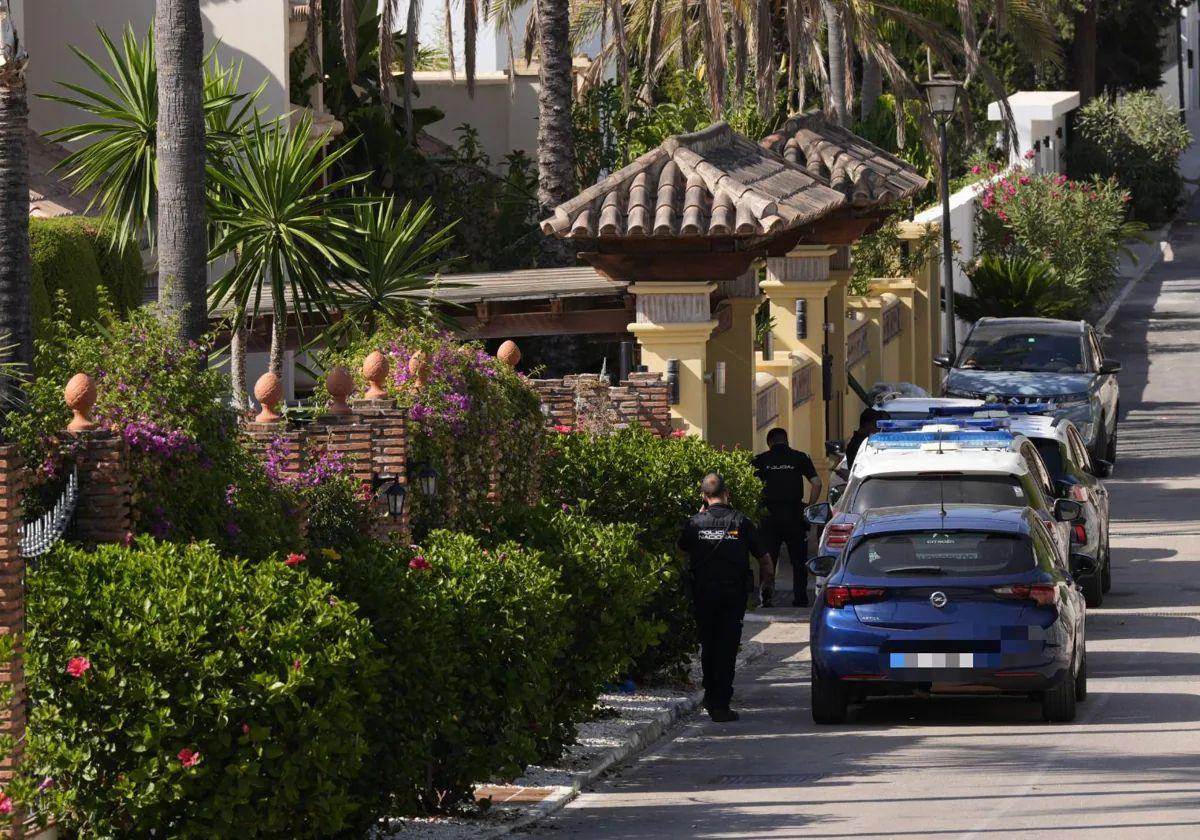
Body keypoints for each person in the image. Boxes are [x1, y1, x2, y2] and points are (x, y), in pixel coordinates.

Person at [678, 473, 772, 723]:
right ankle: (721, 704)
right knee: (727, 647)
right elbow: (764, 559)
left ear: (703, 496)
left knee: (709, 645)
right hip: (733, 595)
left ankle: (711, 695)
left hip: (704, 594)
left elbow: (681, 550)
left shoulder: (694, 523)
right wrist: (764, 587)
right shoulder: (741, 522)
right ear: (727, 493)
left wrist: (699, 517)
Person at [752, 428, 822, 607]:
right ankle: (800, 598)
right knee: (798, 560)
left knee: (768, 558)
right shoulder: (800, 457)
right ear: (787, 441)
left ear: (770, 443)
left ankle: (766, 598)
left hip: (769, 515)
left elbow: (750, 485)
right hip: (794, 514)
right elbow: (816, 483)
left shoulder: (760, 460)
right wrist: (810, 507)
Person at [845, 408, 889, 472]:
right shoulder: (859, 446)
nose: (878, 431)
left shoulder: (869, 442)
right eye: (876, 427)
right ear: (867, 425)